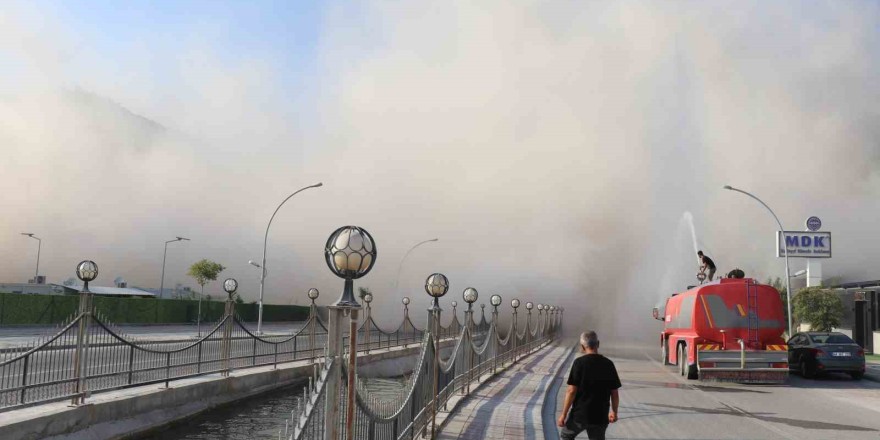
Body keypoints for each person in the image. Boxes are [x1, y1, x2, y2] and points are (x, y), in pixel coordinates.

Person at [557, 331, 621, 440]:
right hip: (600, 416)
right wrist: (614, 412)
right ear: (598, 344)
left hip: (580, 416)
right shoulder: (608, 364)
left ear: (582, 347)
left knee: (566, 435)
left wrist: (564, 414)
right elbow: (614, 393)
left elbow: (571, 391)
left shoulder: (579, 363)